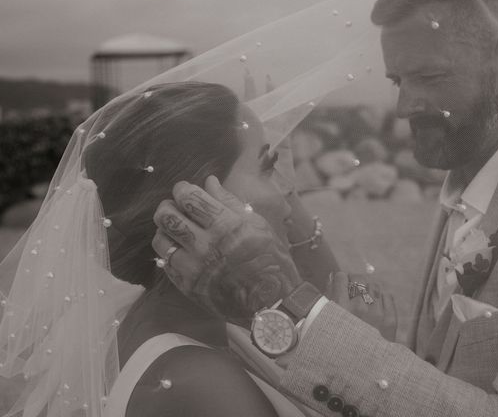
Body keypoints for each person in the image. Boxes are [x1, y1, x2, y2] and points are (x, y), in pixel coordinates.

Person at [152, 0, 498, 416]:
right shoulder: (473, 164)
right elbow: (439, 372)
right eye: (397, 80)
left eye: (429, 76)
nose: (404, 107)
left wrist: (284, 308)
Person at [0, 81, 347, 417]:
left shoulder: (190, 315)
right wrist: (365, 362)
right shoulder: (206, 387)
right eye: (267, 167)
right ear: (193, 204)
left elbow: (346, 295)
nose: (286, 196)